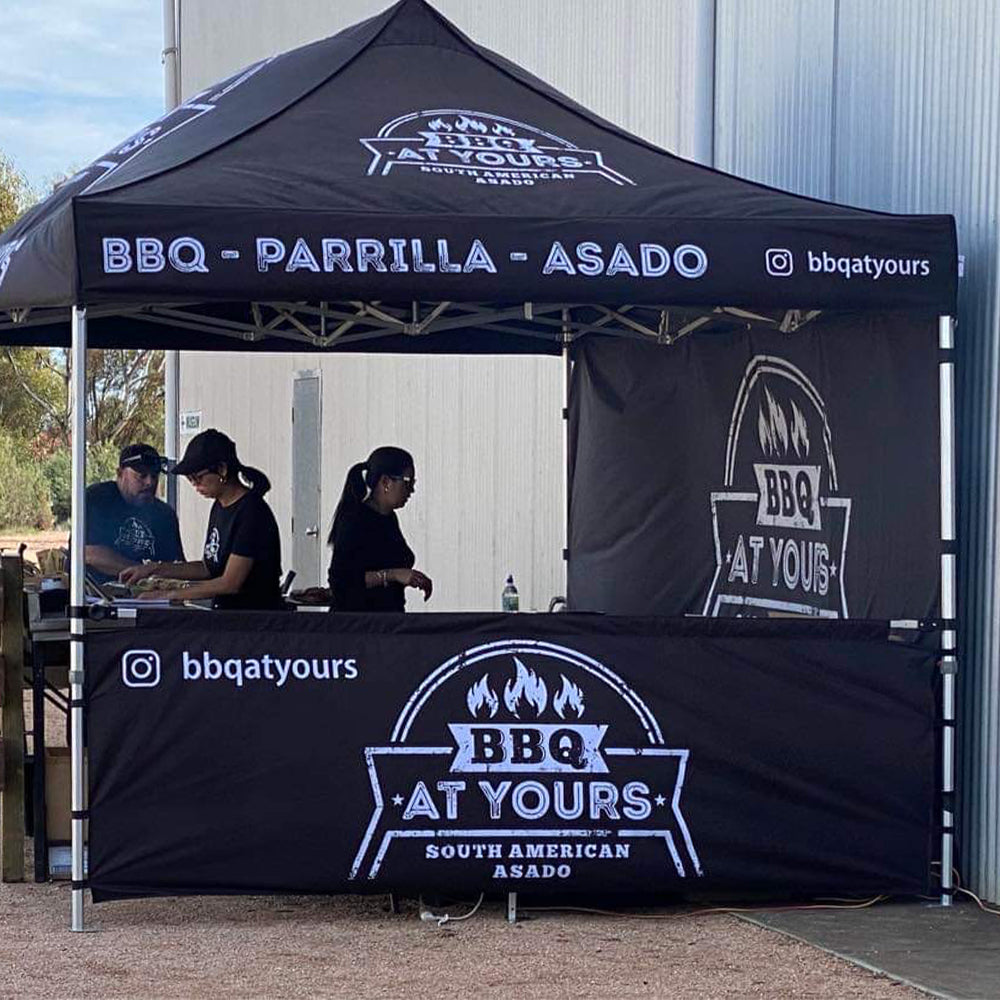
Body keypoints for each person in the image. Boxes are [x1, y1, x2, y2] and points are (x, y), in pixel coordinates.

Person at [121, 429, 283, 610]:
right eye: (190, 480)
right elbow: (207, 568)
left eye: (197, 478)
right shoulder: (219, 506)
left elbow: (230, 583)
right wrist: (153, 569)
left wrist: (169, 595)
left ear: (222, 469)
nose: (195, 485)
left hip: (255, 617)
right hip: (227, 613)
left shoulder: (251, 512)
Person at [327, 446, 432, 611]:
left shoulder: (389, 518)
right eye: (407, 482)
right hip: (360, 620)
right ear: (385, 482)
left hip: (388, 617)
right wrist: (393, 575)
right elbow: (341, 580)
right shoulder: (355, 520)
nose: (411, 490)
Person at [85, 443, 184, 584]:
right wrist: (143, 571)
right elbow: (89, 553)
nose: (149, 482)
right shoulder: (97, 498)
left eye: (155, 476)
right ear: (120, 473)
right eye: (141, 476)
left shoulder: (165, 514)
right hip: (98, 592)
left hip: (152, 593)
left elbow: (176, 564)